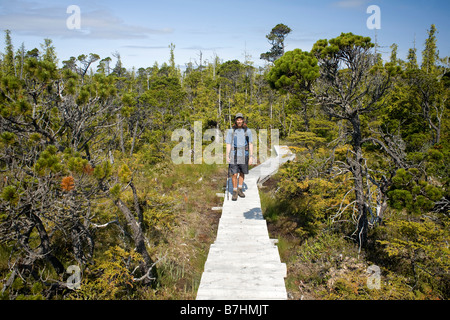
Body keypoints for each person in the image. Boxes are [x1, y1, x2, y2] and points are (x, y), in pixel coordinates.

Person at [226, 113, 254, 201]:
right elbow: (228, 143)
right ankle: (234, 191)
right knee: (234, 174)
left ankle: (240, 189)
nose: (239, 121)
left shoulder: (247, 131)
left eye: (240, 119)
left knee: (242, 172)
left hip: (244, 154)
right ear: (236, 121)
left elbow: (250, 143)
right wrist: (227, 155)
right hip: (234, 154)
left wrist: (251, 156)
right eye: (237, 119)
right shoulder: (231, 131)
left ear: (243, 120)